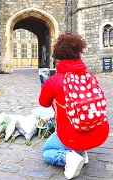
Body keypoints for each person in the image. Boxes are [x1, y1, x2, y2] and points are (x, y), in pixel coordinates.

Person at [39, 33, 109, 179]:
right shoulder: (89, 75)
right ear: (79, 53)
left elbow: (43, 103)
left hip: (71, 134)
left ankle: (69, 157)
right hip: (97, 132)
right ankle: (80, 151)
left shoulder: (53, 81)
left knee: (46, 151)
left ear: (57, 58)